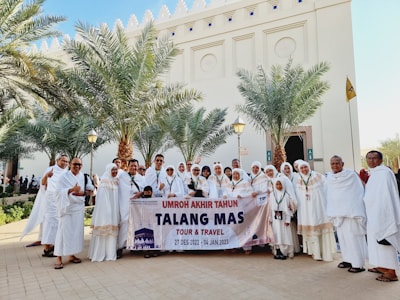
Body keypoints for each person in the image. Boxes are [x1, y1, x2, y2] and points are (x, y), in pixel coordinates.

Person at [363, 150, 400, 282]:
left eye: (374, 158)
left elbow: (386, 196)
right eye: (369, 158)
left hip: (383, 214)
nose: (371, 161)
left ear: (380, 160)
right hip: (373, 214)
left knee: (385, 241)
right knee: (375, 242)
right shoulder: (374, 173)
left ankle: (391, 272)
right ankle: (382, 266)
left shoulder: (384, 173)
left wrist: (382, 213)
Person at [326, 155, 367, 273]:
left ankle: (358, 264)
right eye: (332, 164)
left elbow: (357, 193)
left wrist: (349, 208)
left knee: (353, 239)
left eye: (337, 163)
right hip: (338, 214)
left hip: (351, 214)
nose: (335, 166)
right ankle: (348, 259)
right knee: (343, 239)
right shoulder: (330, 178)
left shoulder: (351, 175)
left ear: (342, 164)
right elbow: (330, 195)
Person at [54, 158, 94, 269]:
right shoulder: (63, 177)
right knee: (63, 233)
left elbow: (91, 190)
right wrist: (71, 190)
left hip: (78, 209)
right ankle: (58, 257)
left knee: (75, 233)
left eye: (79, 164)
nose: (77, 166)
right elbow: (57, 192)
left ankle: (72, 255)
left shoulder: (84, 177)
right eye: (75, 164)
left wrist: (83, 192)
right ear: (70, 165)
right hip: (67, 209)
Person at [294, 161, 336, 262]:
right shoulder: (297, 179)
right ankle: (315, 253)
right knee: (311, 230)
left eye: (305, 167)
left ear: (309, 167)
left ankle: (326, 253)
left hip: (319, 208)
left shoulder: (318, 176)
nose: (304, 170)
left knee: (322, 229)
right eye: (302, 168)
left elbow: (327, 190)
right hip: (305, 210)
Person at [88, 163, 120, 262]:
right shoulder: (105, 181)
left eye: (116, 170)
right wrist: (107, 212)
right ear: (108, 170)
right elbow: (102, 199)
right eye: (113, 170)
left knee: (112, 234)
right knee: (104, 232)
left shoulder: (115, 181)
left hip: (114, 211)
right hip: (106, 212)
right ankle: (100, 254)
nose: (115, 172)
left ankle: (110, 254)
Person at [40, 154, 70, 257]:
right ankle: (47, 247)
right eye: (63, 161)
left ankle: (55, 246)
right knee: (49, 223)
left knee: (58, 223)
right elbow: (42, 184)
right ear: (57, 161)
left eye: (67, 161)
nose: (65, 163)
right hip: (50, 200)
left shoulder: (67, 173)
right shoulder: (50, 170)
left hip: (60, 200)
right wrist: (46, 176)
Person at [118, 159, 145, 258]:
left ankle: (134, 246)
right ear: (128, 166)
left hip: (137, 205)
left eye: (135, 166)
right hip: (125, 204)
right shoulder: (122, 177)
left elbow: (145, 189)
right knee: (124, 223)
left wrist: (140, 193)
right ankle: (120, 246)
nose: (133, 167)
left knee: (136, 224)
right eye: (132, 166)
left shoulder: (141, 178)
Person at [269, 178, 295, 259]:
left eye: (280, 184)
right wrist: (270, 218)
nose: (278, 186)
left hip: (284, 219)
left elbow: (289, 209)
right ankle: (277, 251)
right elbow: (270, 207)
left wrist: (288, 220)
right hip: (275, 219)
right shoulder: (272, 195)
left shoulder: (286, 195)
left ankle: (285, 252)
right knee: (276, 235)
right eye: (277, 184)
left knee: (285, 235)